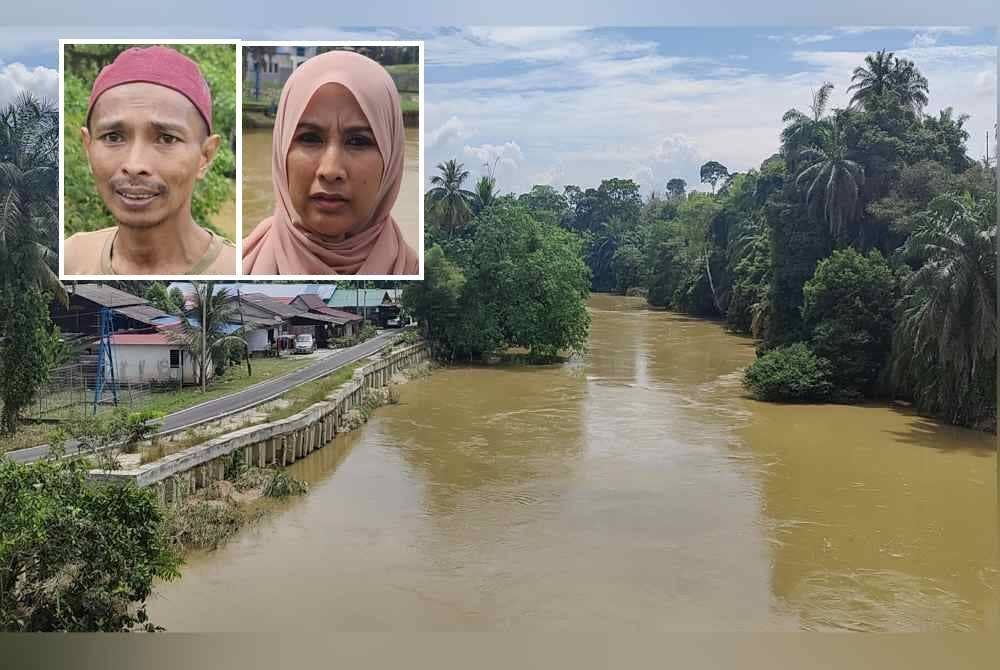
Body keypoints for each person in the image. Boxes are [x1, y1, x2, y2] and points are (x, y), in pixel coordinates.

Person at [242, 50, 418, 275]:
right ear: (281, 150)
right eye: (309, 138)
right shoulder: (237, 266)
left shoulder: (415, 274)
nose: (331, 170)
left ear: (391, 158)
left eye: (358, 141)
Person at [64, 45, 236, 275]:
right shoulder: (69, 258)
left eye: (166, 139)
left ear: (205, 156)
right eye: (113, 137)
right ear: (88, 147)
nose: (135, 166)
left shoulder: (241, 268)